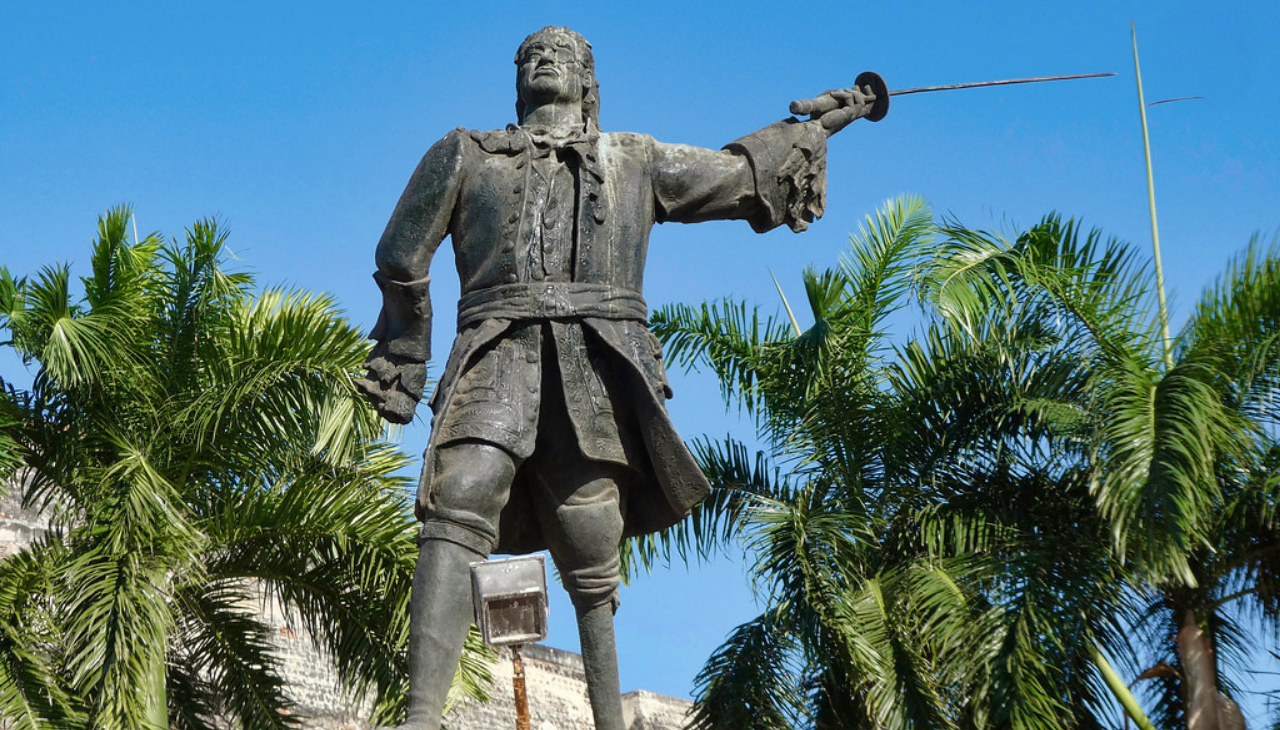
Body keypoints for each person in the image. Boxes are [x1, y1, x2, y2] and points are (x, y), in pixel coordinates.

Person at [357, 26, 875, 730]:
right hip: (497, 352)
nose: (546, 59)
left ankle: (608, 719)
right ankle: (421, 717)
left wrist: (822, 127)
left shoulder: (633, 158)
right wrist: (405, 353)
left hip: (596, 364)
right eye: (533, 54)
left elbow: (734, 174)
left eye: (563, 55)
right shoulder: (466, 153)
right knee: (460, 493)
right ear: (516, 80)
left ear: (587, 79)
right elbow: (399, 253)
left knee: (591, 528)